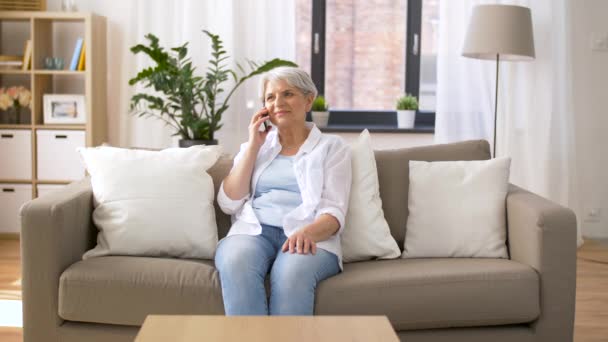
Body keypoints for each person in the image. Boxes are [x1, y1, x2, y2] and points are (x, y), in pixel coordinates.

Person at [215, 67, 352, 315]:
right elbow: (229, 203)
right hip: (254, 232)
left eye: (287, 94)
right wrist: (253, 147)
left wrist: (307, 233)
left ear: (308, 100)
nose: (278, 103)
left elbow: (334, 211)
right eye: (270, 97)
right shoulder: (254, 147)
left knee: (290, 273)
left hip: (309, 234)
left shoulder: (332, 147)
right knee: (235, 261)